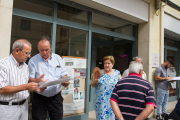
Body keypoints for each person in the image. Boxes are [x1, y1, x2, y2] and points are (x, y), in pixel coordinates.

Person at [0, 39, 44, 120]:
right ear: (17, 51)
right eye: (26, 53)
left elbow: (26, 82)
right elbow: (1, 89)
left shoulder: (25, 66)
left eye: (30, 53)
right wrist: (25, 87)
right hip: (8, 108)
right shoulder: (3, 65)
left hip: (24, 106)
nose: (29, 56)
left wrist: (37, 82)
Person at [28, 36, 70, 120]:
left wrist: (65, 81)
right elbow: (30, 80)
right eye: (41, 50)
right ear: (38, 48)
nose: (44, 52)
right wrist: (38, 80)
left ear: (51, 47)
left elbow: (64, 75)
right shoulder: (33, 61)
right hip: (39, 97)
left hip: (55, 97)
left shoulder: (58, 58)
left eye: (47, 49)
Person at [91, 55, 122, 120]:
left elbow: (121, 86)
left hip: (113, 102)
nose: (107, 65)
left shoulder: (117, 73)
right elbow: (92, 85)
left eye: (109, 63)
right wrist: (96, 81)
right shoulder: (99, 72)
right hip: (101, 103)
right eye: (105, 63)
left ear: (112, 64)